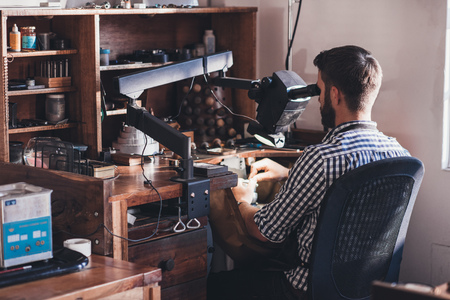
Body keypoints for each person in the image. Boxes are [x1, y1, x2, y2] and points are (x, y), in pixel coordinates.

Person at [207, 45, 411, 300]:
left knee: (212, 286)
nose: (319, 100)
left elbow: (264, 231)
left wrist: (242, 200)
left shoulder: (320, 159)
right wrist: (289, 173)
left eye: (320, 91)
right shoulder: (401, 155)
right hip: (368, 290)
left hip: (304, 290)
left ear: (335, 94)